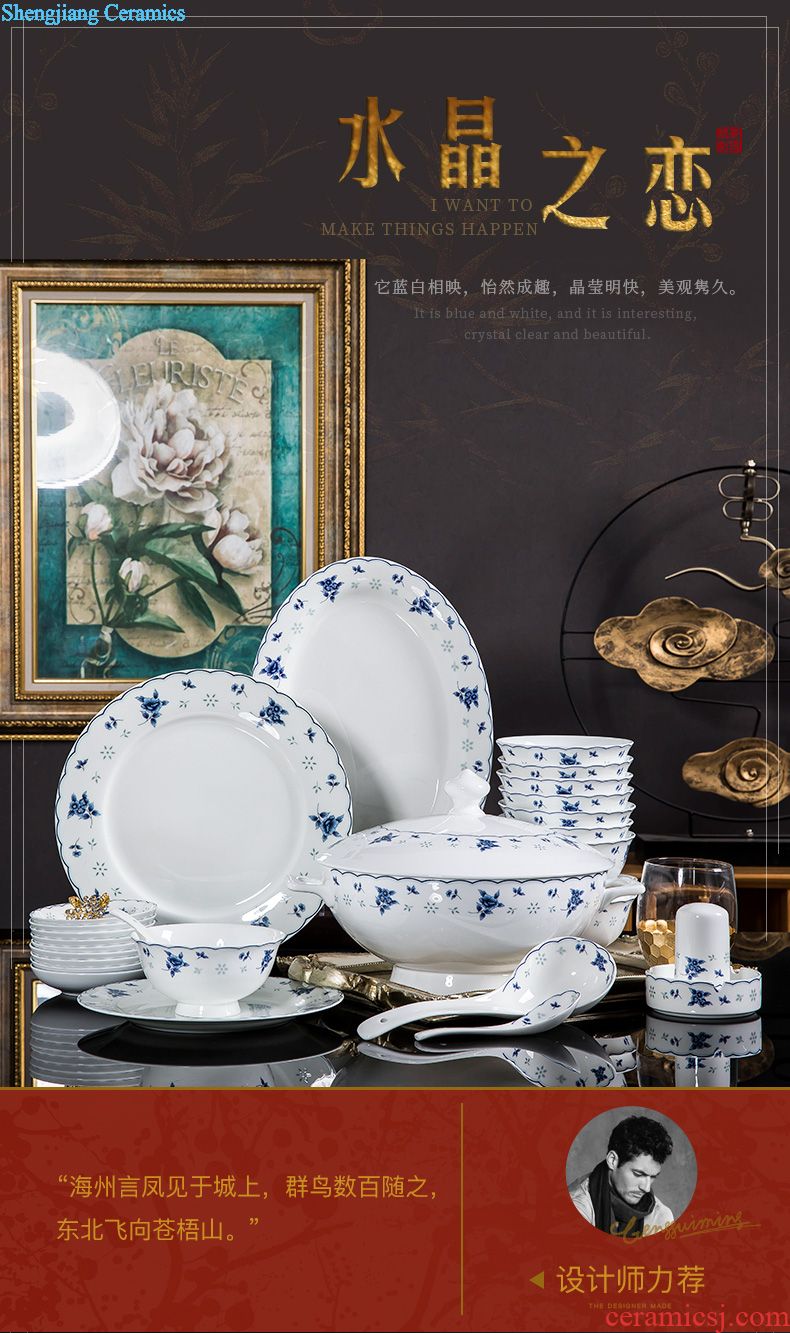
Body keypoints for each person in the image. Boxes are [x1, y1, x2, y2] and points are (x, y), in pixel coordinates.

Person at [568, 1114, 675, 1236]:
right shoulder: (577, 1208)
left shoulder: (661, 1217)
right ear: (612, 1160)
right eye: (638, 1174)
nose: (646, 1188)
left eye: (652, 1177)